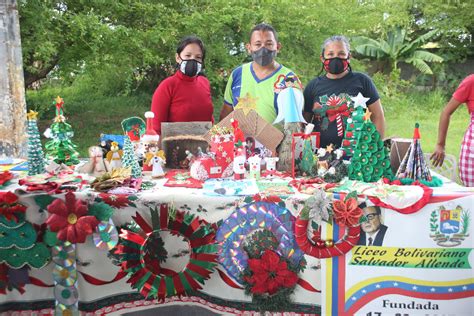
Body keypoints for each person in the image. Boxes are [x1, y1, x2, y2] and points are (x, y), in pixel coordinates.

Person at [303, 35, 385, 149]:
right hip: (319, 154)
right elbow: (304, 121)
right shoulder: (313, 86)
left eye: (341, 54)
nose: (335, 58)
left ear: (349, 57)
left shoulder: (362, 81)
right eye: (330, 54)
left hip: (358, 154)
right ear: (322, 58)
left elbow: (378, 116)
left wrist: (375, 147)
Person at [220, 23, 301, 124]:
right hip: (240, 139)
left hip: (277, 139)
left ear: (278, 47)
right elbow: (226, 114)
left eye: (269, 44)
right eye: (258, 44)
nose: (263, 49)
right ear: (249, 48)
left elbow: (295, 122)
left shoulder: (289, 79)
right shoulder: (237, 74)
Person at [150, 36, 214, 135]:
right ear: (178, 58)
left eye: (198, 57)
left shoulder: (204, 83)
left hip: (205, 147)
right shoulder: (167, 86)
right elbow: (156, 129)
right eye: (188, 55)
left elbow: (209, 120)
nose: (193, 60)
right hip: (174, 147)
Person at [431, 74, 474, 187]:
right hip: (471, 152)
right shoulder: (471, 82)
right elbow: (446, 112)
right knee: (471, 196)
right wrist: (440, 144)